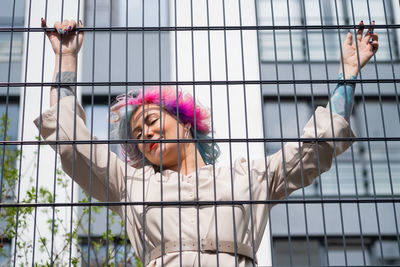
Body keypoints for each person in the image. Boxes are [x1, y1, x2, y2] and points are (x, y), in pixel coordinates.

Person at [37, 18, 378, 267]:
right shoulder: (131, 184)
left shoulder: (249, 178)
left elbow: (315, 147)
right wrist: (66, 58)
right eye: (138, 136)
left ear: (186, 124)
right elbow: (71, 141)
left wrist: (347, 74)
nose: (147, 136)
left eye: (153, 122)